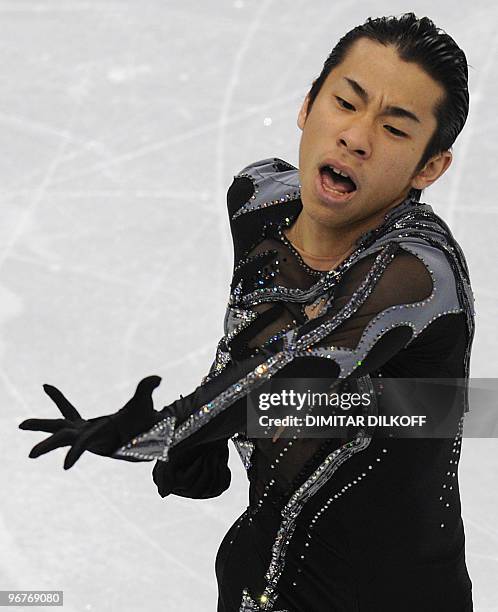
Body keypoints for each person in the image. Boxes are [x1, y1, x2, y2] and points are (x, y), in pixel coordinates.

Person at [20, 13, 475, 612]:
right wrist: (203, 440)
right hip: (258, 584)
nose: (356, 137)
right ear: (307, 105)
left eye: (394, 129)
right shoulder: (260, 201)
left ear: (429, 167)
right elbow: (258, 337)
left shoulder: (419, 273)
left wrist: (171, 428)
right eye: (345, 102)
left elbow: (303, 365)